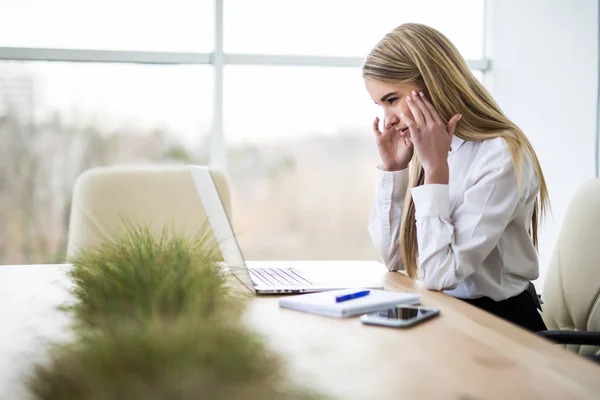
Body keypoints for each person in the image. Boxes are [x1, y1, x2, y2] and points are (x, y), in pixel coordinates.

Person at [363, 23, 548, 332]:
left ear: (433, 83)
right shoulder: (434, 148)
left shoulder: (500, 154)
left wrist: (435, 172)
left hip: (502, 325)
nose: (388, 119)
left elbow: (440, 274)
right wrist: (394, 171)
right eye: (380, 105)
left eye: (392, 99)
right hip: (450, 315)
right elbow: (393, 258)